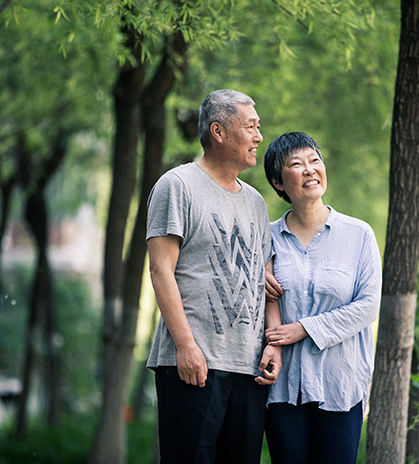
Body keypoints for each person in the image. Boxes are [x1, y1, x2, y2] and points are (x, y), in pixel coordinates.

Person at [145, 89, 282, 464]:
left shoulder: (255, 201)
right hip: (193, 366)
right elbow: (160, 270)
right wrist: (186, 347)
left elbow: (266, 279)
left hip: (248, 368)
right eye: (250, 127)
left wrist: (273, 342)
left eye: (259, 127)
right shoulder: (177, 186)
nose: (258, 137)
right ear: (219, 132)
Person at [262, 131, 382, 464]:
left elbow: (368, 305)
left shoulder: (358, 234)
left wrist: (304, 327)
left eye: (315, 160)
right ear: (278, 182)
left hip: (340, 384)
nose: (310, 169)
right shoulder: (267, 237)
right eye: (296, 164)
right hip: (284, 385)